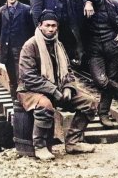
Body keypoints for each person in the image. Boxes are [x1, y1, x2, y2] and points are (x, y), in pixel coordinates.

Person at [18, 11, 98, 160]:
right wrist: (53, 90)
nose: (51, 29)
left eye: (54, 26)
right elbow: (28, 77)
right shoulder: (30, 46)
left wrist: (68, 87)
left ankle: (73, 142)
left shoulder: (58, 45)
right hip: (30, 91)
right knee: (44, 105)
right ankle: (40, 146)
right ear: (40, 26)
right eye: (47, 25)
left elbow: (68, 71)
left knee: (90, 103)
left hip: (58, 90)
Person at [0, 0, 35, 97]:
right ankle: (14, 100)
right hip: (7, 50)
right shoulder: (1, 11)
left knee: (22, 76)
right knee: (12, 77)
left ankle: (23, 100)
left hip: (21, 48)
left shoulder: (26, 9)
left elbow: (31, 29)